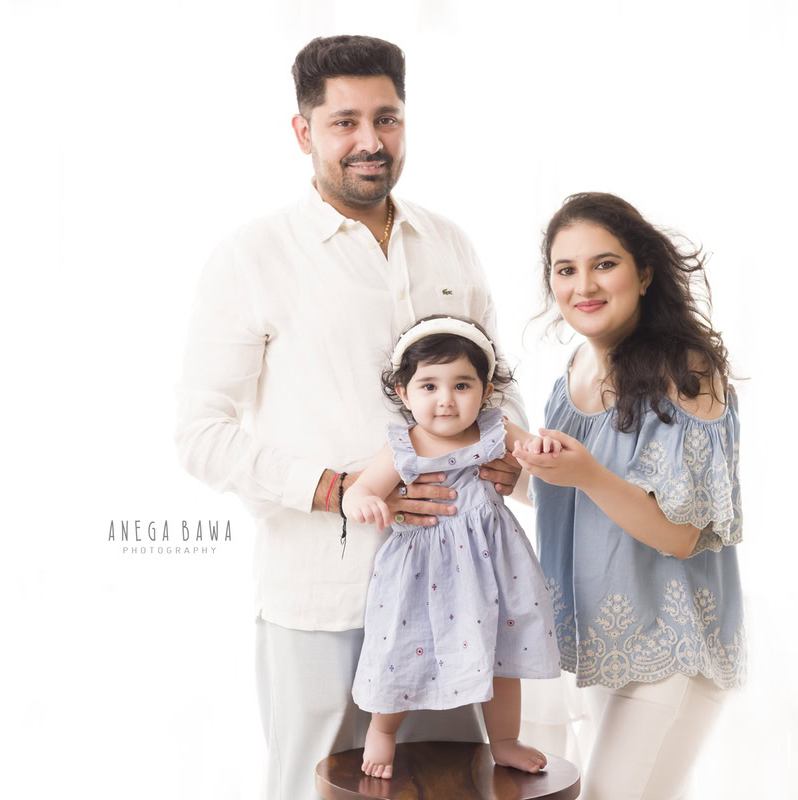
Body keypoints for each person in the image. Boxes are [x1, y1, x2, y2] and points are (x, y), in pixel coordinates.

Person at [173, 36, 528, 799]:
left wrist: (511, 458)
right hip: (325, 595)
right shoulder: (252, 257)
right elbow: (201, 435)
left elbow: (499, 383)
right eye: (344, 122)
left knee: (455, 790)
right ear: (304, 132)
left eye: (387, 119)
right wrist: (338, 487)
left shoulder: (451, 244)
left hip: (458, 590)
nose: (370, 141)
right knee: (318, 790)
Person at [513, 193, 745, 800]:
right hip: (607, 639)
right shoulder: (575, 373)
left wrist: (586, 473)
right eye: (565, 270)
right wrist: (517, 474)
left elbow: (679, 532)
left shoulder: (686, 372)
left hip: (672, 640)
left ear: (643, 272)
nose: (583, 285)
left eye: (604, 264)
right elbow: (590, 505)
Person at [342, 315, 560, 779]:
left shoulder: (495, 429)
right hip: (423, 572)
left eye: (462, 384)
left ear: (485, 388)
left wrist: (538, 456)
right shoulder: (404, 444)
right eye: (429, 386)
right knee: (401, 647)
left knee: (505, 652)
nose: (445, 400)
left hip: (496, 568)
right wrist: (364, 503)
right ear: (404, 393)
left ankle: (504, 739)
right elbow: (359, 490)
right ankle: (383, 731)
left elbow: (538, 464)